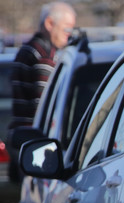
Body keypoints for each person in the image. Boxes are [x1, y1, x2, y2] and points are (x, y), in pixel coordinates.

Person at [8, 2, 76, 181]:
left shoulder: (28, 49)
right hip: (38, 146)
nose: (69, 36)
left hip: (26, 142)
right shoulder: (43, 55)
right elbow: (45, 106)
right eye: (66, 29)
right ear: (49, 23)